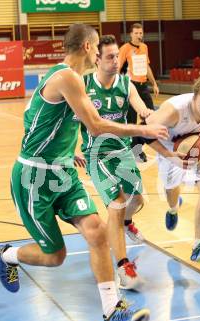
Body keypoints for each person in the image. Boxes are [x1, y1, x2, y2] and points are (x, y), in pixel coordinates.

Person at [0, 24, 168, 321]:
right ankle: (7, 255)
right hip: (34, 177)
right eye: (99, 45)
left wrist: (65, 151)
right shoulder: (66, 77)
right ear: (89, 46)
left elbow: (50, 120)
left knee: (97, 232)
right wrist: (143, 131)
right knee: (55, 256)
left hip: (62, 172)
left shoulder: (69, 79)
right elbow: (97, 125)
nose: (101, 51)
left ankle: (112, 311)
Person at [78, 35, 151, 290]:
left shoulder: (125, 84)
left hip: (123, 152)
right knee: (117, 204)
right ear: (96, 58)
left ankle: (127, 224)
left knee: (137, 200)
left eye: (117, 57)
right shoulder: (84, 85)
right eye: (109, 57)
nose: (114, 61)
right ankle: (123, 266)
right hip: (95, 154)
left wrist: (149, 114)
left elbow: (141, 108)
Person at [145, 75, 200, 265]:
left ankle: (199, 245)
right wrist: (169, 155)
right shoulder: (174, 111)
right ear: (194, 98)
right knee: (171, 189)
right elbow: (143, 133)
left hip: (198, 146)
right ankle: (173, 208)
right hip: (170, 149)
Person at [119, 23, 159, 163]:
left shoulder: (144, 47)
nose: (139, 35)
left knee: (151, 118)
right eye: (136, 33)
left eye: (141, 33)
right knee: (131, 121)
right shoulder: (125, 49)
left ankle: (136, 147)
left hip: (143, 87)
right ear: (131, 34)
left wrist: (154, 83)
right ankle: (133, 151)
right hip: (131, 87)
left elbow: (147, 66)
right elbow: (118, 69)